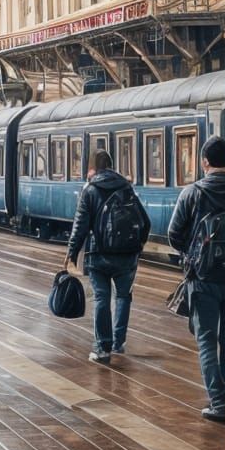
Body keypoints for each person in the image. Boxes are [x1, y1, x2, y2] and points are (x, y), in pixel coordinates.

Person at [167, 135, 225, 421]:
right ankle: (221, 398)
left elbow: (174, 234)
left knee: (207, 339)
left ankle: (218, 401)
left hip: (203, 279)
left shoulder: (192, 193)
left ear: (204, 161)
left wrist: (192, 254)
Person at [66, 147, 151, 364]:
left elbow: (80, 226)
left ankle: (103, 348)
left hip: (99, 254)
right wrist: (138, 247)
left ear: (92, 167)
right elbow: (145, 221)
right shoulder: (126, 187)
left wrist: (72, 253)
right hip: (127, 255)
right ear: (111, 166)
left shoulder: (90, 190)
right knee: (123, 296)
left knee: (102, 297)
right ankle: (118, 342)